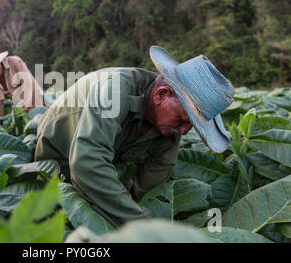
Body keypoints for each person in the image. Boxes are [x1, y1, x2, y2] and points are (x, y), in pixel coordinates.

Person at [34, 46, 234, 228]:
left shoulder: (168, 132)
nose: (183, 132)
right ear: (161, 94)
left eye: (191, 126)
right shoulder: (115, 90)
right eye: (182, 120)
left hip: (103, 164)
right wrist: (142, 225)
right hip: (56, 159)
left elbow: (149, 189)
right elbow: (87, 163)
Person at [0, 48, 44, 119]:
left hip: (39, 105)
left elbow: (29, 87)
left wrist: (19, 112)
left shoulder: (15, 63)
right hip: (22, 114)